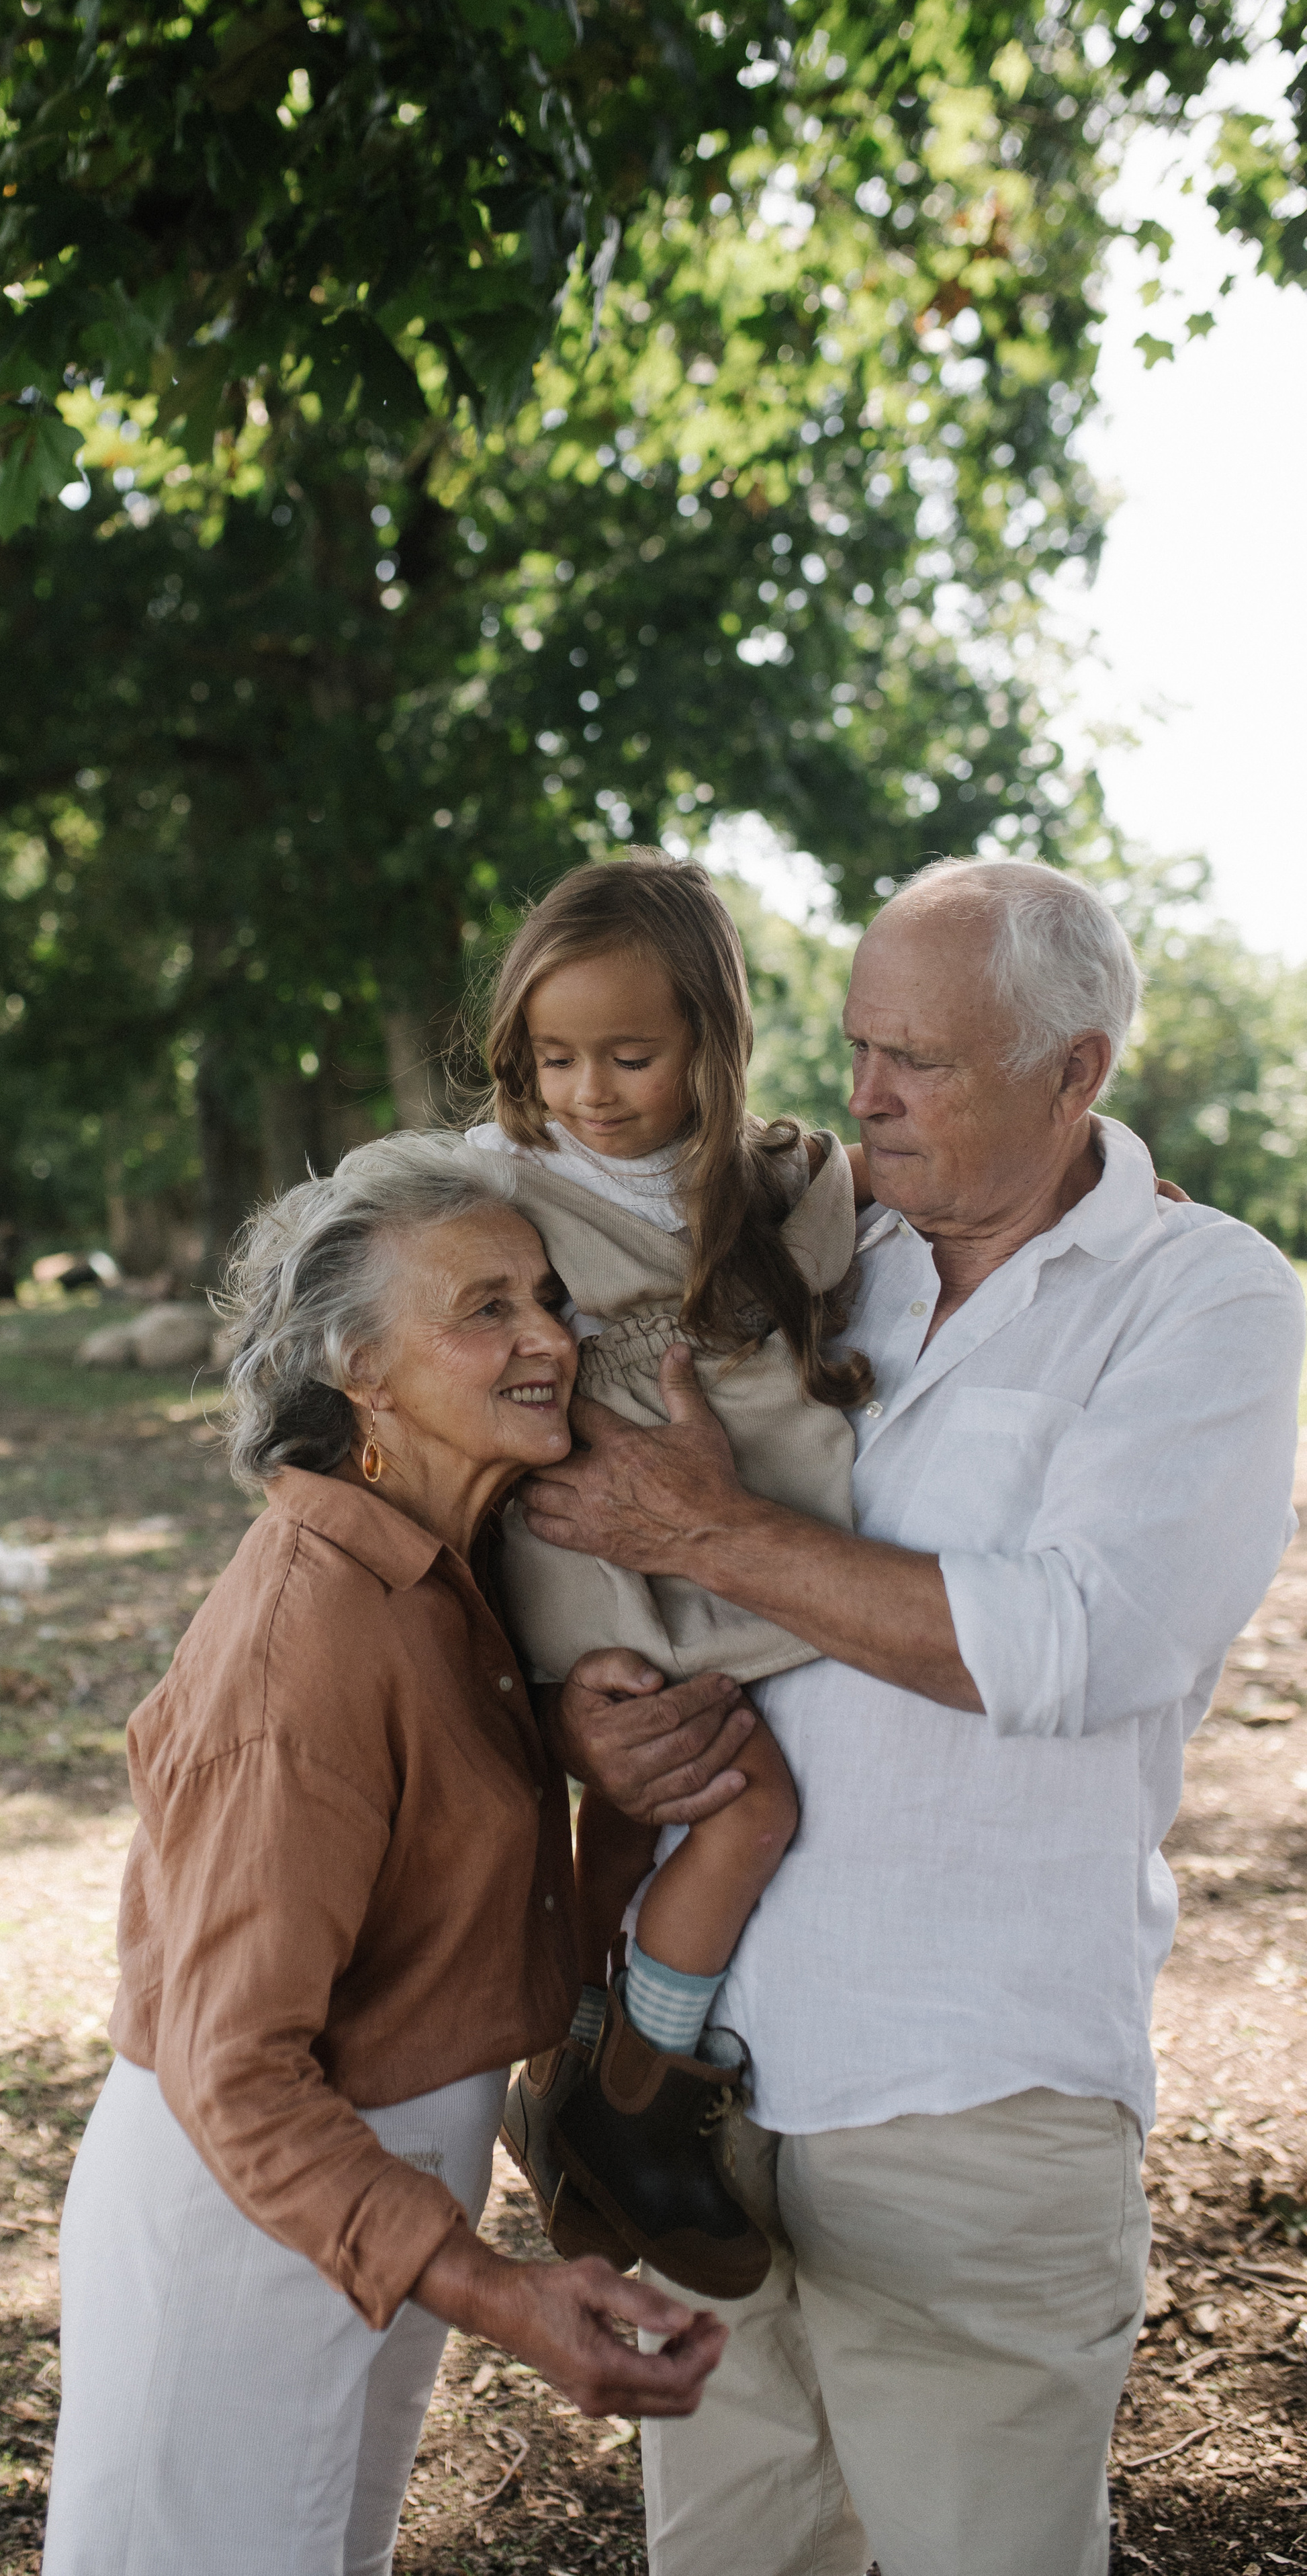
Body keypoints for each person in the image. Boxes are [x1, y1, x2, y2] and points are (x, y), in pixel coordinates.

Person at [516, 855, 1306, 2576]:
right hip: (694, 2088)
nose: (863, 1093)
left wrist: (706, 1532)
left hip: (968, 2094)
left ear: (1076, 1069)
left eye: (922, 1062)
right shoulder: (818, 1249)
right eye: (860, 1043)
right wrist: (600, 1722)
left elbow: (1072, 1642)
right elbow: (629, 1553)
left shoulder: (1205, 1300)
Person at [40, 1135, 731, 2576]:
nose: (550, 1336)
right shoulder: (307, 1639)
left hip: (350, 2202)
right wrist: (495, 2291)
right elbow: (235, 2069)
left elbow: (409, 1814)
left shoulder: (430, 1576)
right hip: (255, 2215)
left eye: (545, 1296)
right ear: (360, 1369)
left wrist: (556, 1738)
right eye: (484, 1309)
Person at [456, 855, 870, 2294]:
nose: (587, 1091)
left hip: (714, 1560)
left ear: (709, 1039)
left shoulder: (762, 1191)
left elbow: (882, 1222)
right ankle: (632, 2086)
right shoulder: (498, 1193)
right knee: (725, 1806)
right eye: (553, 1057)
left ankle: (577, 2076)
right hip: (591, 1570)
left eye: (629, 1054)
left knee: (655, 1822)